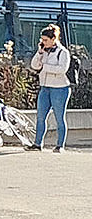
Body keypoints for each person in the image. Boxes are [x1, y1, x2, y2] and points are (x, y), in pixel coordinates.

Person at [29, 24, 72, 152]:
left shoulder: (62, 52)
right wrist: (39, 53)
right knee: (40, 117)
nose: (43, 42)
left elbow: (62, 69)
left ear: (54, 39)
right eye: (42, 40)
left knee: (59, 117)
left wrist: (45, 67)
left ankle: (60, 145)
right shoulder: (44, 51)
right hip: (45, 87)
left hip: (59, 88)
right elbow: (34, 65)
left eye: (46, 40)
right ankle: (37, 144)